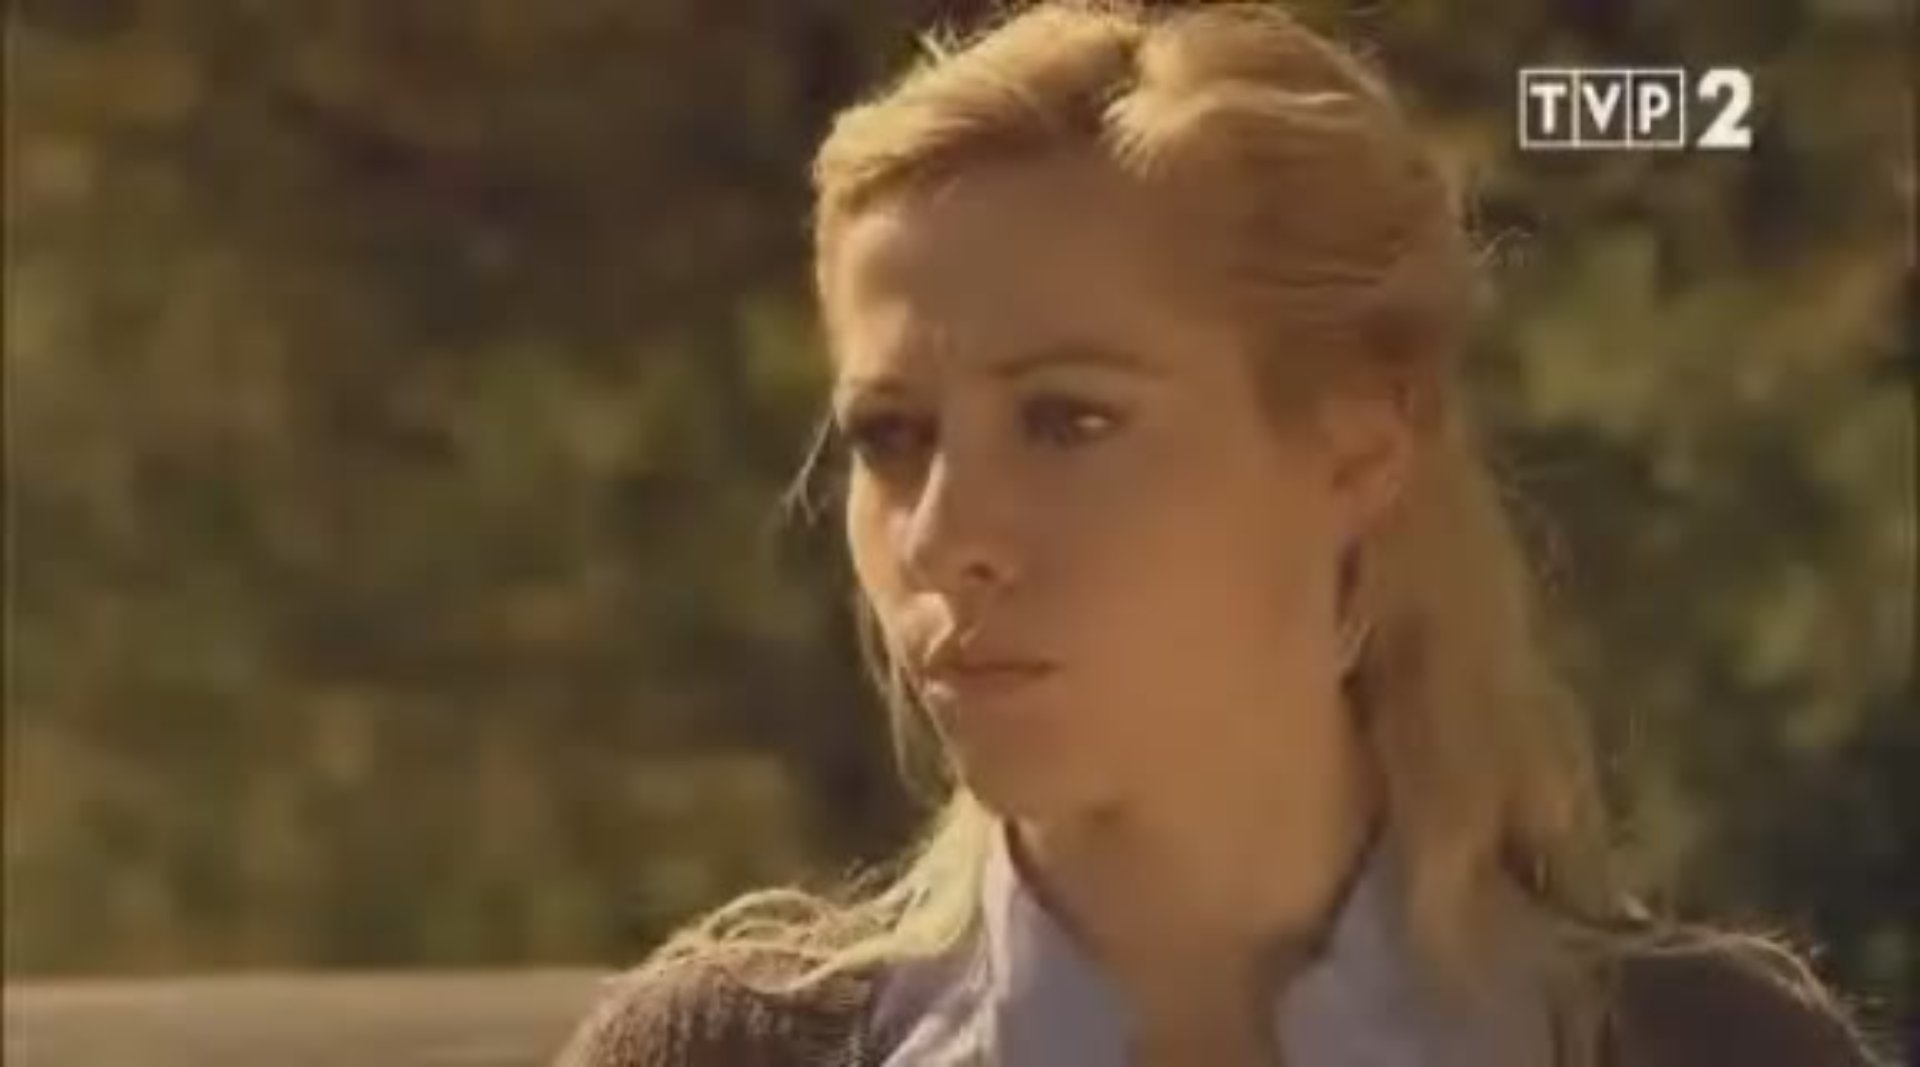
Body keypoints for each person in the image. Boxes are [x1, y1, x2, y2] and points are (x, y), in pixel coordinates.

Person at [553, 2, 1884, 1064]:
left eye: (1068, 420)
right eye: (893, 437)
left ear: (1356, 453)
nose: (947, 536)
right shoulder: (720, 1057)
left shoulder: (1701, 1051)